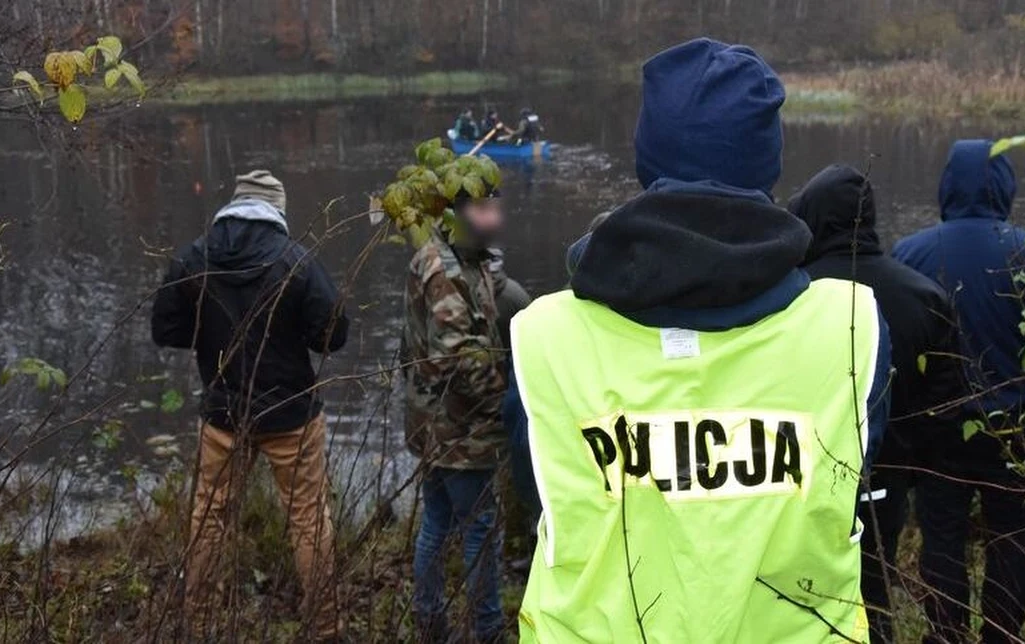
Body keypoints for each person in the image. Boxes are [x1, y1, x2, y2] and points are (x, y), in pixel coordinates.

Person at [505, 39, 891, 643]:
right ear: (767, 164)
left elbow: (541, 496)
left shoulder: (544, 338)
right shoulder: (850, 328)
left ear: (646, 159)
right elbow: (850, 478)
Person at [151, 169, 349, 641]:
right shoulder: (296, 262)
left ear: (233, 206)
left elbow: (166, 329)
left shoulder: (194, 258)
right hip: (292, 416)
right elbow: (334, 335)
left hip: (223, 415)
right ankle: (324, 627)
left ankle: (198, 621)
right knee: (307, 519)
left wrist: (212, 337)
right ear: (277, 211)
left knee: (209, 517)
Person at [788, 164, 966, 644]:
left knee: (807, 598)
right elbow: (948, 396)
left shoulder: (791, 294)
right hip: (890, 479)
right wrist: (908, 459)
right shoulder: (923, 294)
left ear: (812, 217)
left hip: (800, 482)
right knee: (874, 595)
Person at [893, 140, 1025, 644]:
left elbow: (897, 343)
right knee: (1013, 539)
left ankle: (944, 635)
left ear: (946, 185)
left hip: (938, 431)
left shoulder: (909, 253)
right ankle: (1002, 635)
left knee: (942, 537)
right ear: (1005, 186)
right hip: (1017, 431)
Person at [404, 184, 508, 643]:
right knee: (480, 531)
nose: (495, 219)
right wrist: (503, 406)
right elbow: (457, 356)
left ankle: (429, 621)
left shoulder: (467, 258)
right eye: (485, 210)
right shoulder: (443, 267)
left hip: (438, 424)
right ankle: (487, 631)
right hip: (460, 430)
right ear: (458, 215)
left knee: (438, 520)